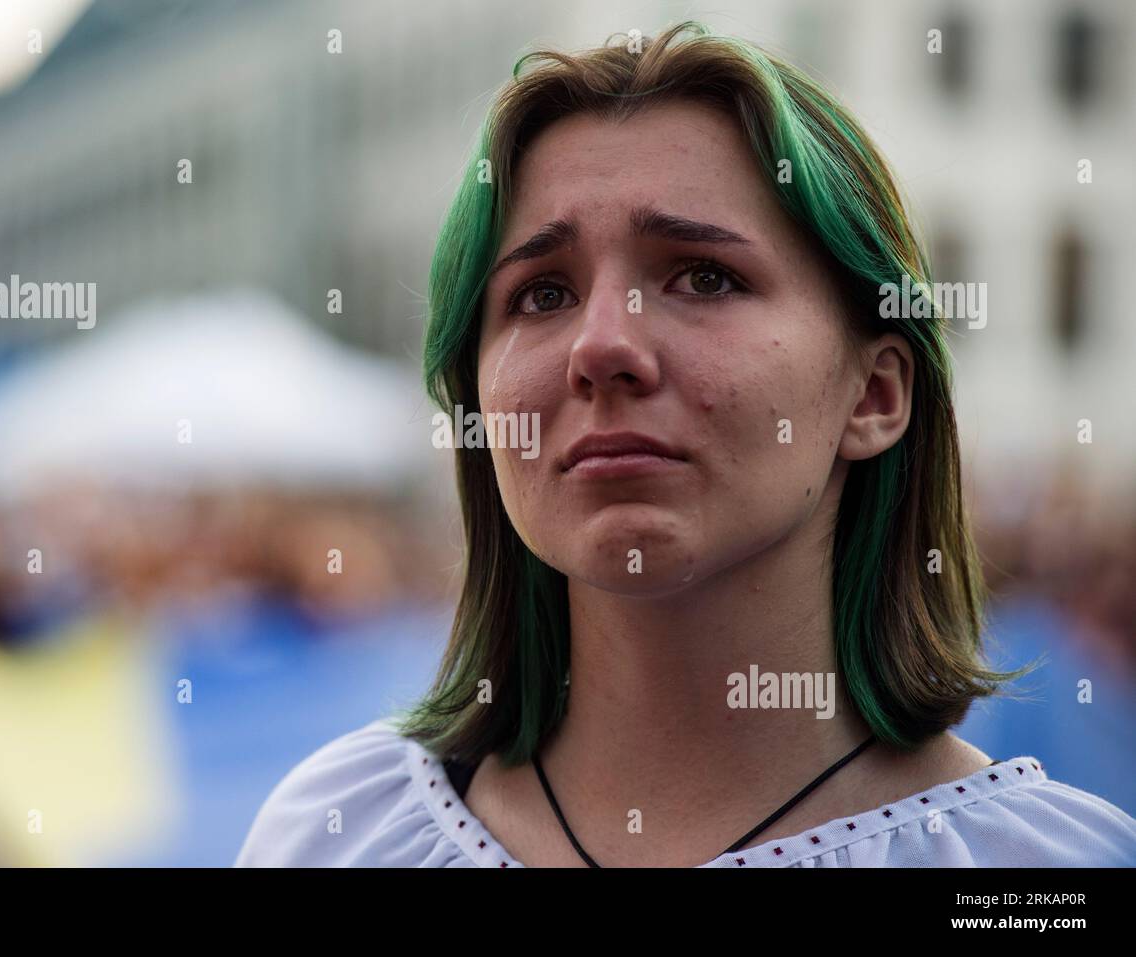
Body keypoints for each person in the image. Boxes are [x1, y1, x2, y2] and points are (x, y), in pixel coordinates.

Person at [236, 22, 1136, 867]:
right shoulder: (336, 835)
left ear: (875, 393)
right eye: (542, 293)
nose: (602, 346)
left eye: (703, 276)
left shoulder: (1036, 876)